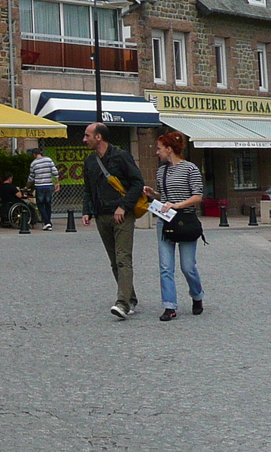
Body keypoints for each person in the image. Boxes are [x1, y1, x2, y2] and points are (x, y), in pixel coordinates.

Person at [81, 122, 144, 320]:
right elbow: (88, 189)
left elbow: (137, 183)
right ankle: (130, 298)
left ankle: (122, 304)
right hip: (102, 216)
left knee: (123, 258)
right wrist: (87, 211)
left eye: (87, 135)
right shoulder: (90, 162)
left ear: (98, 137)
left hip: (122, 216)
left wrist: (124, 206)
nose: (84, 139)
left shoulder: (121, 156)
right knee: (114, 262)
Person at [145, 130, 206, 321]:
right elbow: (165, 197)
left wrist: (178, 205)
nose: (157, 152)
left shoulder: (190, 169)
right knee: (165, 266)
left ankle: (197, 295)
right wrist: (153, 194)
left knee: (187, 267)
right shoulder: (161, 170)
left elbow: (198, 196)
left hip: (185, 220)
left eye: (159, 148)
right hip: (165, 221)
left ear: (169, 149)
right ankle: (169, 306)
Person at [28, 147, 58, 230]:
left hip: (39, 186)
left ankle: (47, 222)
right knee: (48, 204)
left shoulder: (33, 164)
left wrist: (27, 186)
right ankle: (48, 222)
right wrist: (57, 183)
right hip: (49, 185)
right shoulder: (48, 160)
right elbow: (55, 172)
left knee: (40, 204)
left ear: (34, 154)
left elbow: (31, 177)